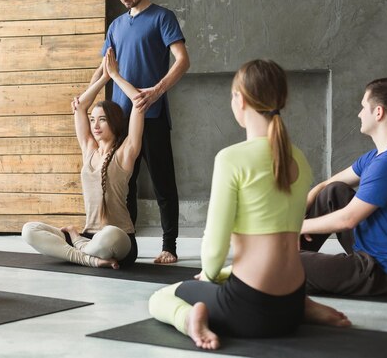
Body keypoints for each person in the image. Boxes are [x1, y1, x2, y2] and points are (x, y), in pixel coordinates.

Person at [148, 60, 350, 350]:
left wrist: (207, 276)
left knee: (162, 297)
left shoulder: (231, 159)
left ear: (239, 99)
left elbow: (214, 253)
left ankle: (190, 318)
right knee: (231, 273)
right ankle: (304, 307)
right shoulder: (300, 160)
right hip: (291, 301)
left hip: (249, 310)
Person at [90, 0, 190, 264]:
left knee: (162, 184)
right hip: (120, 120)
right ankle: (126, 246)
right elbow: (104, 68)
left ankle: (169, 246)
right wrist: (84, 95)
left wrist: (157, 90)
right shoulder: (117, 26)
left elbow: (183, 60)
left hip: (153, 116)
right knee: (124, 187)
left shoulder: (162, 18)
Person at [22, 49, 144, 269]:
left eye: (102, 120)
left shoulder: (125, 153)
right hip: (89, 236)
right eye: (93, 120)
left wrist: (115, 76)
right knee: (29, 230)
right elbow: (80, 107)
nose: (95, 126)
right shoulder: (89, 149)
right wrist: (102, 77)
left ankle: (78, 248)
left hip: (119, 240)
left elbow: (138, 101)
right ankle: (90, 258)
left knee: (109, 237)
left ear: (114, 123)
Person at [300, 77, 387, 296]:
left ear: (378, 112)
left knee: (274, 265)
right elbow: (326, 185)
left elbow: (348, 219)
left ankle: (280, 262)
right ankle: (282, 254)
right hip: (367, 247)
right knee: (333, 192)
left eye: (363, 107)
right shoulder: (375, 157)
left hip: (379, 269)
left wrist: (298, 227)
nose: (359, 114)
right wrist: (298, 217)